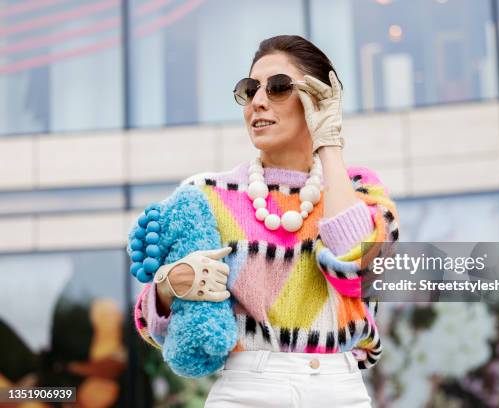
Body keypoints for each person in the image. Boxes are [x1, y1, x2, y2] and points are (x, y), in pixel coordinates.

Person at [132, 34, 400, 407]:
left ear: (318, 99)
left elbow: (354, 271)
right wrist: (167, 286)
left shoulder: (360, 190)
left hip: (339, 388)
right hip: (247, 388)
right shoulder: (206, 194)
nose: (258, 101)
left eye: (277, 88)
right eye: (249, 89)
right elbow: (156, 326)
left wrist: (329, 144)